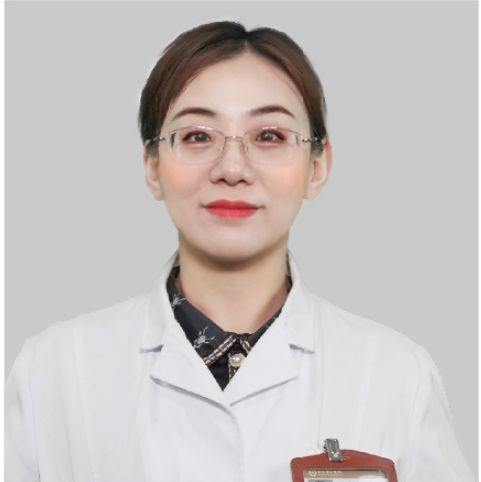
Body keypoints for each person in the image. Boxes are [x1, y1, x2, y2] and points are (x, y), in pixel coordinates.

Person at [5, 21, 473, 482]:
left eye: (269, 136)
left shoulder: (395, 375)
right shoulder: (56, 370)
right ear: (152, 165)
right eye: (197, 136)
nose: (232, 168)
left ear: (317, 166)